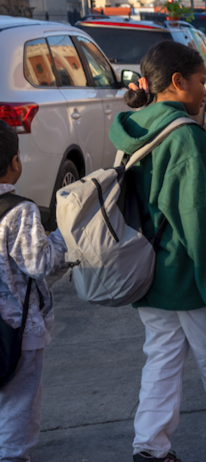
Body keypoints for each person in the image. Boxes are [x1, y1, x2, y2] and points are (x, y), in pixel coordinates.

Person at [110, 41, 206, 462]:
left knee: (160, 360)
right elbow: (200, 218)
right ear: (177, 82)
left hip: (145, 271)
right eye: (201, 80)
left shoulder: (133, 128)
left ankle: (150, 446)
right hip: (187, 271)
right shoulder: (185, 137)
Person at [0, 121, 67, 462]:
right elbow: (38, 263)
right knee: (19, 398)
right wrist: (62, 238)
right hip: (16, 328)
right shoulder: (19, 211)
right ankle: (12, 455)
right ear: (15, 163)